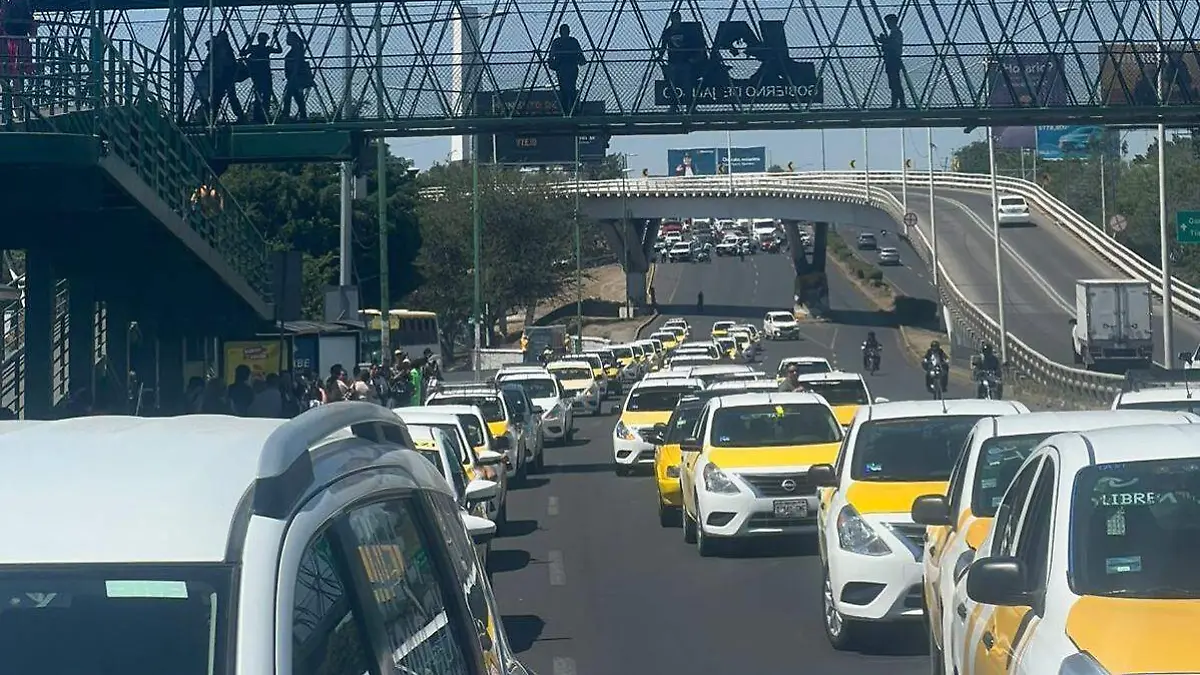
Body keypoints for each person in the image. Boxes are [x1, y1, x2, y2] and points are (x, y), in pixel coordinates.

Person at [240, 31, 282, 123]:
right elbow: (242, 53)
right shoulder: (258, 48)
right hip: (260, 74)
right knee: (261, 94)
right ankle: (259, 116)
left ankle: (262, 115)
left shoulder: (261, 48)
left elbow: (279, 51)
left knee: (263, 94)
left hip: (263, 74)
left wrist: (248, 42)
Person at [547, 24, 586, 114]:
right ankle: (573, 110)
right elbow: (579, 54)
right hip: (570, 67)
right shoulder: (573, 41)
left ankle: (566, 110)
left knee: (565, 89)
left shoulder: (557, 42)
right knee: (570, 88)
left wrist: (551, 63)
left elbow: (551, 55)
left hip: (562, 68)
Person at [874, 13, 906, 108]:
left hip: (893, 59)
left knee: (894, 82)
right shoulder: (895, 32)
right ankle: (897, 103)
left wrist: (884, 42)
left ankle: (899, 103)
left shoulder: (895, 32)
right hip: (893, 59)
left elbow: (893, 46)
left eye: (888, 22)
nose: (887, 24)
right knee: (894, 82)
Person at [280, 31, 314, 120]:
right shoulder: (297, 48)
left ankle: (286, 115)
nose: (287, 40)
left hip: (295, 77)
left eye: (288, 38)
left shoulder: (297, 49)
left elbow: (297, 62)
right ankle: (302, 115)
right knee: (297, 97)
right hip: (293, 76)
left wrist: (293, 74)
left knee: (288, 96)